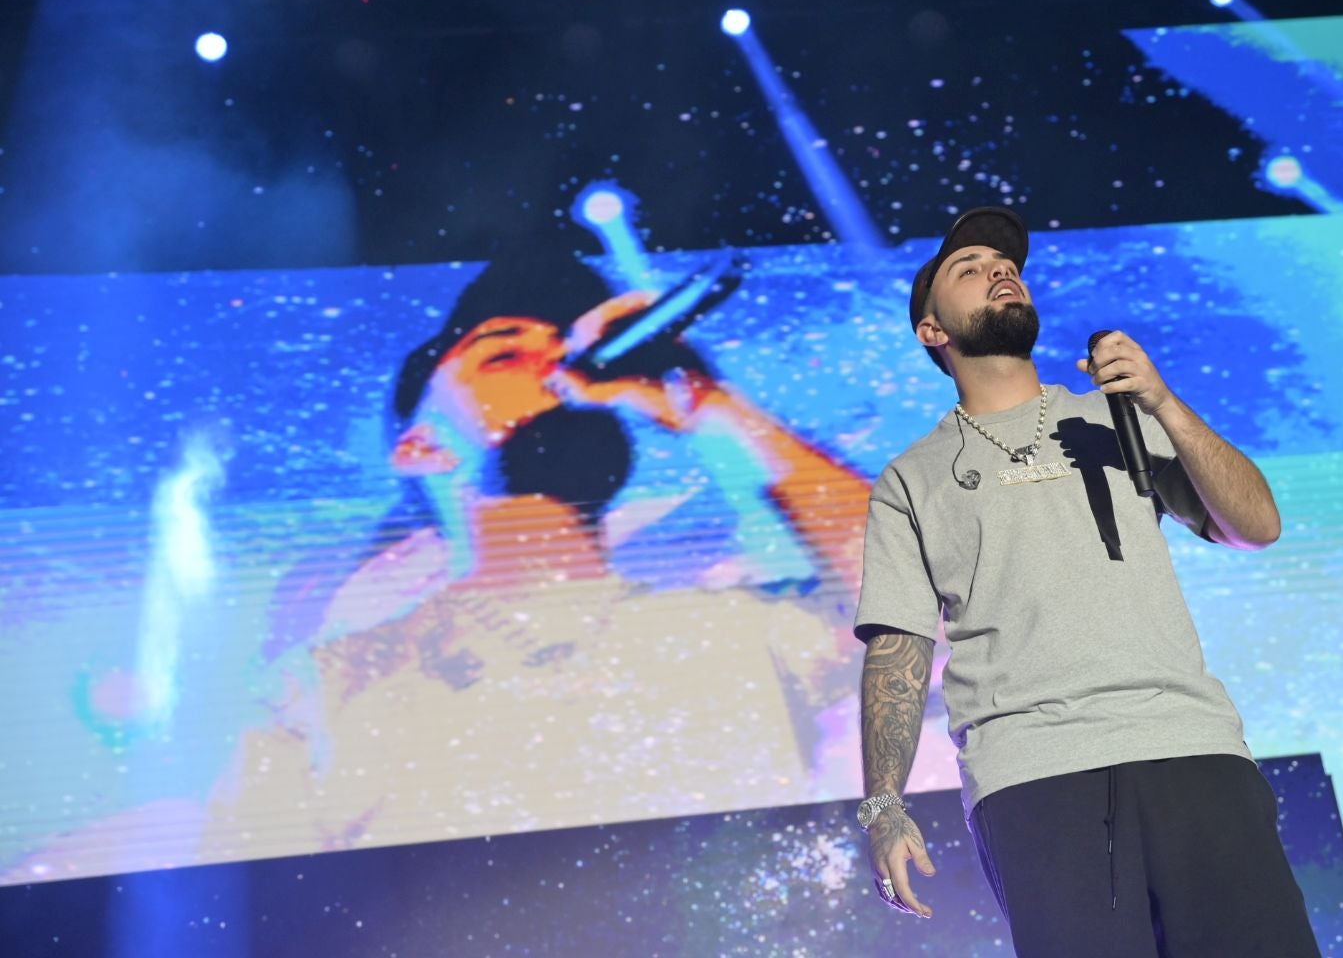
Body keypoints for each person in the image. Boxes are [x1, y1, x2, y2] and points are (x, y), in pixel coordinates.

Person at [201, 243, 871, 862]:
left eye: (565, 351)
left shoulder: (739, 631)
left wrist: (713, 407)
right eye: (501, 354)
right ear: (420, 446)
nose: (556, 368)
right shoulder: (327, 687)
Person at [852, 207, 1319, 955]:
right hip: (1033, 777)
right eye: (968, 268)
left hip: (1187, 745)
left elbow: (1255, 525)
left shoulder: (1119, 417)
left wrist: (1162, 401)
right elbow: (897, 652)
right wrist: (884, 807)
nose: (1000, 270)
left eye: (1006, 264)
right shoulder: (911, 478)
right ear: (932, 330)